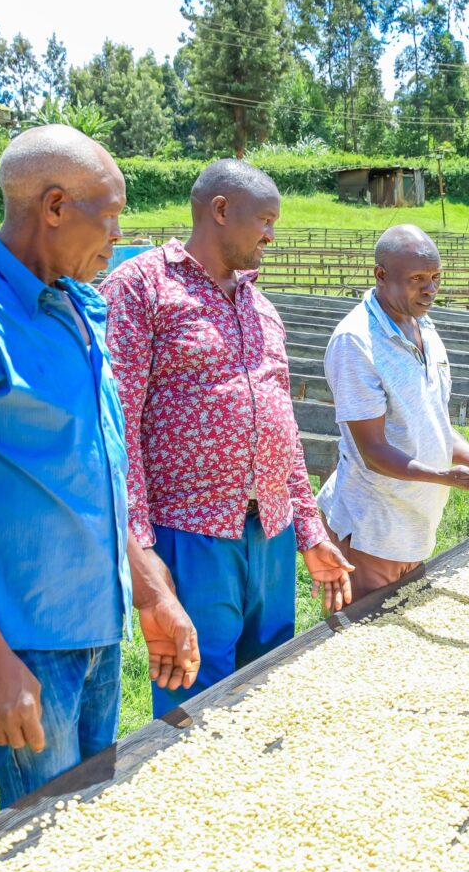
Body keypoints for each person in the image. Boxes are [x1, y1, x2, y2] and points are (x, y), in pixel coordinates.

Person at [0, 125, 197, 810]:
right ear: (55, 206)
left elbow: (90, 472)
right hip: (27, 641)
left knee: (89, 822)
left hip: (97, 625)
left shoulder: (77, 307)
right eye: (110, 216)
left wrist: (149, 589)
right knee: (43, 838)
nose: (117, 237)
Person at [102, 159, 354, 719]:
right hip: (190, 530)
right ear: (221, 210)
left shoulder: (260, 306)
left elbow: (282, 429)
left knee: (266, 686)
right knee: (198, 696)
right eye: (265, 220)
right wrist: (140, 547)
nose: (271, 236)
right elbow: (117, 430)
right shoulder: (141, 287)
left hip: (270, 530)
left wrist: (310, 532)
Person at [315, 225, 469, 597]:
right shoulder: (357, 342)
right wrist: (446, 477)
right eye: (417, 279)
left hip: (414, 525)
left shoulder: (425, 328)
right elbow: (373, 451)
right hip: (371, 528)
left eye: (435, 277)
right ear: (381, 275)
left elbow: (434, 424)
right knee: (363, 630)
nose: (430, 289)